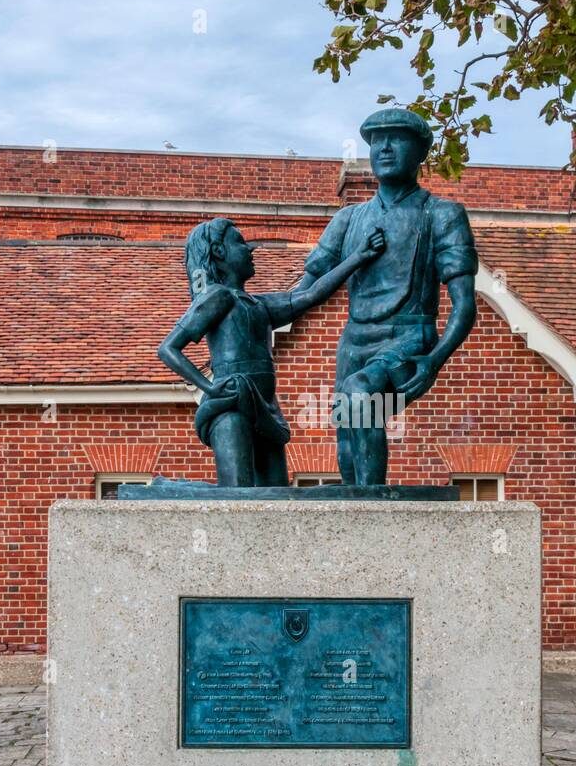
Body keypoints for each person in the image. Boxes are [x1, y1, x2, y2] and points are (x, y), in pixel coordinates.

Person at [298, 108, 479, 485]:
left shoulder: (441, 215)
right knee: (347, 437)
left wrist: (433, 360)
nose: (384, 148)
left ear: (419, 151)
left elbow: (464, 305)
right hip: (354, 341)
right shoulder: (348, 220)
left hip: (409, 336)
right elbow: (305, 292)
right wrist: (242, 308)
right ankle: (356, 511)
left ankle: (373, 511)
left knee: (361, 396)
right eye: (376, 141)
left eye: (396, 139)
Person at [157, 217, 384, 486]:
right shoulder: (218, 297)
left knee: (276, 494)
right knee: (236, 497)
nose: (250, 249)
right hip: (232, 407)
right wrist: (209, 387)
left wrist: (358, 257)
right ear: (219, 251)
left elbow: (309, 295)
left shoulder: (259, 305)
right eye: (240, 243)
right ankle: (169, 488)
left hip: (266, 410)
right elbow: (168, 348)